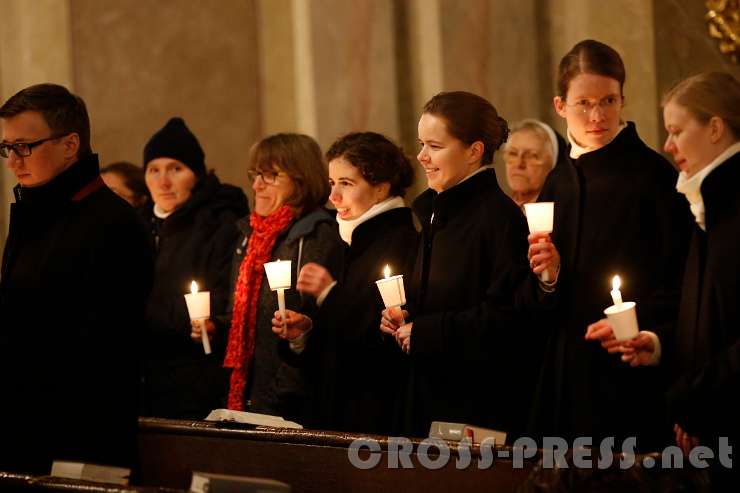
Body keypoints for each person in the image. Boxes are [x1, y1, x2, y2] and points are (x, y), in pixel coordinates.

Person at [528, 40, 693, 451]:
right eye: (583, 103)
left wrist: (639, 322)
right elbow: (538, 293)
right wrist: (550, 275)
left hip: (628, 372)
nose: (598, 115)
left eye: (609, 100)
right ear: (560, 105)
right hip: (567, 375)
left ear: (623, 99)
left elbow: (683, 282)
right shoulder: (556, 180)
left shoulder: (654, 176)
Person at [380, 91, 552, 438]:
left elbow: (509, 317)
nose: (422, 156)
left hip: (474, 404)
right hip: (425, 394)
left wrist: (427, 332)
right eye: (421, 144)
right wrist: (404, 315)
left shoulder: (499, 218)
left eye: (435, 146)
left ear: (474, 151)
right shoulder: (431, 211)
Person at [0, 83, 153, 473]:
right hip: (25, 425)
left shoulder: (115, 223)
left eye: (24, 146)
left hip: (84, 434)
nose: (12, 161)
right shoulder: (32, 214)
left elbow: (105, 341)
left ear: (70, 144)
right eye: (6, 148)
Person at [590, 72, 740, 458]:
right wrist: (658, 345)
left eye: (676, 130)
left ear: (715, 128)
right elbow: (713, 321)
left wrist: (692, 402)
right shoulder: (707, 205)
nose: (668, 145)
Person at [273, 131, 418, 434]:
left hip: (373, 416)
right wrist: (304, 334)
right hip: (331, 409)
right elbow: (333, 337)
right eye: (331, 183)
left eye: (347, 184)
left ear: (380, 188)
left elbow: (381, 336)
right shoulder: (344, 240)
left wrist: (329, 293)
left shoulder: (401, 243)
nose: (333, 197)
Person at [219, 133, 344, 422]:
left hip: (288, 405)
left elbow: (316, 324)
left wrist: (281, 394)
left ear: (301, 181)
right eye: (255, 174)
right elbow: (242, 316)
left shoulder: (316, 236)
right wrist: (215, 325)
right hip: (244, 398)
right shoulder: (250, 238)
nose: (256, 185)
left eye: (271, 175)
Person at [139, 117, 248, 419]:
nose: (163, 182)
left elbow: (218, 300)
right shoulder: (138, 225)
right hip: (145, 379)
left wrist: (139, 311)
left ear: (196, 175)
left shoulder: (219, 225)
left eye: (175, 169)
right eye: (154, 170)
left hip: (195, 376)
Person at [503, 119, 566, 209]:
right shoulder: (493, 209)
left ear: (554, 166)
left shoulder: (561, 215)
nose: (519, 163)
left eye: (532, 156)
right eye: (513, 153)